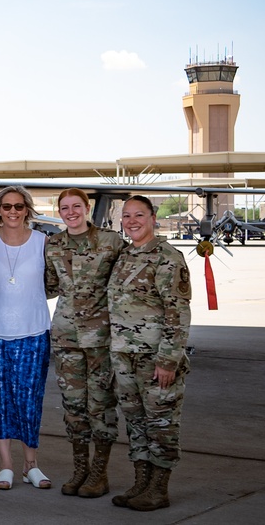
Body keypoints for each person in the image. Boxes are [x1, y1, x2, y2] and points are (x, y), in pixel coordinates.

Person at [107, 195, 191, 512]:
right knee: (137, 423)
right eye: (127, 216)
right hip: (125, 356)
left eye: (138, 215)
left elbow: (178, 313)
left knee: (162, 423)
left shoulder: (168, 257)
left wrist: (169, 360)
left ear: (153, 217)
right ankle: (140, 482)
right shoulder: (125, 254)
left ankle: (159, 488)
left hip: (155, 359)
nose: (132, 221)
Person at [44, 188, 125, 498]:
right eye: (64, 208)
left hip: (101, 338)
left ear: (87, 208)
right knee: (73, 406)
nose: (71, 212)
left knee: (101, 405)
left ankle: (99, 473)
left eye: (76, 206)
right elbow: (50, 286)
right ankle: (80, 469)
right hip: (66, 337)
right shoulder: (53, 244)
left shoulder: (110, 242)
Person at [0, 186, 52, 491]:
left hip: (33, 333)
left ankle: (30, 464)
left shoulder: (43, 243)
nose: (13, 212)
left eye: (19, 206)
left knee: (28, 401)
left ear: (27, 209)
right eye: (6, 207)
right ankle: (6, 465)